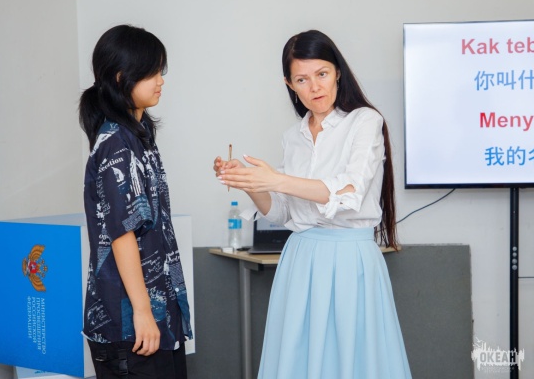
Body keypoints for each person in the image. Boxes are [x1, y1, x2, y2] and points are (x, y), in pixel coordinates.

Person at [213, 29, 411, 378]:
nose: (315, 87)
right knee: (298, 360)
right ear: (289, 85)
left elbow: (350, 191)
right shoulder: (293, 136)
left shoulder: (365, 121)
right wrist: (250, 182)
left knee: (352, 360)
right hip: (300, 259)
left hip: (350, 258)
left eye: (322, 74)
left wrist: (276, 180)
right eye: (302, 79)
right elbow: (283, 211)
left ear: (338, 72)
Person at [79, 25, 192, 379]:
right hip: (132, 324)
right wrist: (143, 311)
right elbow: (122, 233)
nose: (161, 80)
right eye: (151, 72)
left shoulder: (137, 137)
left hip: (156, 315)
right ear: (120, 77)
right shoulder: (116, 143)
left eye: (161, 71)